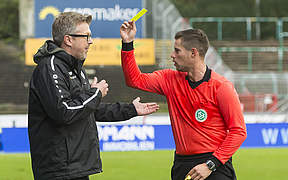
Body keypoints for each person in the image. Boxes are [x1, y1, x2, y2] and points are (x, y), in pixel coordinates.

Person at [28, 12, 159, 180]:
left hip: (76, 167)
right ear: (68, 39)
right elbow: (63, 111)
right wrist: (95, 93)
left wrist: (130, 109)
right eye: (86, 36)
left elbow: (89, 110)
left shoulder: (75, 69)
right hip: (59, 170)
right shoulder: (50, 67)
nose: (90, 41)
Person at [120, 21, 247, 180]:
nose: (172, 55)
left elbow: (238, 131)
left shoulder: (221, 87)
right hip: (182, 164)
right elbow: (134, 79)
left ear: (193, 53)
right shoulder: (169, 79)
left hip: (214, 165)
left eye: (177, 50)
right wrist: (127, 43)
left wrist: (211, 164)